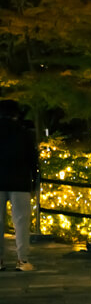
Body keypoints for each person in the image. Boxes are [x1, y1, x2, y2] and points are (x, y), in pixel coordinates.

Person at [0, 101, 39, 271]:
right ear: (16, 114)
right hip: (20, 182)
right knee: (21, 221)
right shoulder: (24, 134)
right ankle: (22, 260)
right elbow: (33, 160)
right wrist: (34, 183)